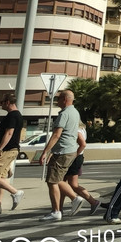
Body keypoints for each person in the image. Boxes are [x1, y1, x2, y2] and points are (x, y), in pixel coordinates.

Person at [38, 88, 82, 222]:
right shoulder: (75, 112)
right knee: (57, 179)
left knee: (52, 181)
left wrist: (45, 151)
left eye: (58, 98)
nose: (57, 101)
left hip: (62, 151)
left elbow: (56, 134)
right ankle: (72, 200)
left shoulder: (64, 114)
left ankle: (58, 210)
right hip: (70, 150)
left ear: (64, 100)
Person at [0, 93, 25, 213]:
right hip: (10, 150)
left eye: (1, 102)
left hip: (8, 149)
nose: (0, 104)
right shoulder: (15, 115)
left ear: (7, 102)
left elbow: (9, 133)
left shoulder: (13, 116)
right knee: (1, 177)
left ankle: (15, 192)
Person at [62, 122, 102, 215]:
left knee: (72, 184)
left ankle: (93, 202)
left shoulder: (76, 129)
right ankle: (58, 208)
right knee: (63, 184)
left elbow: (82, 144)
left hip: (74, 158)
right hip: (76, 157)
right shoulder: (82, 129)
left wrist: (74, 155)